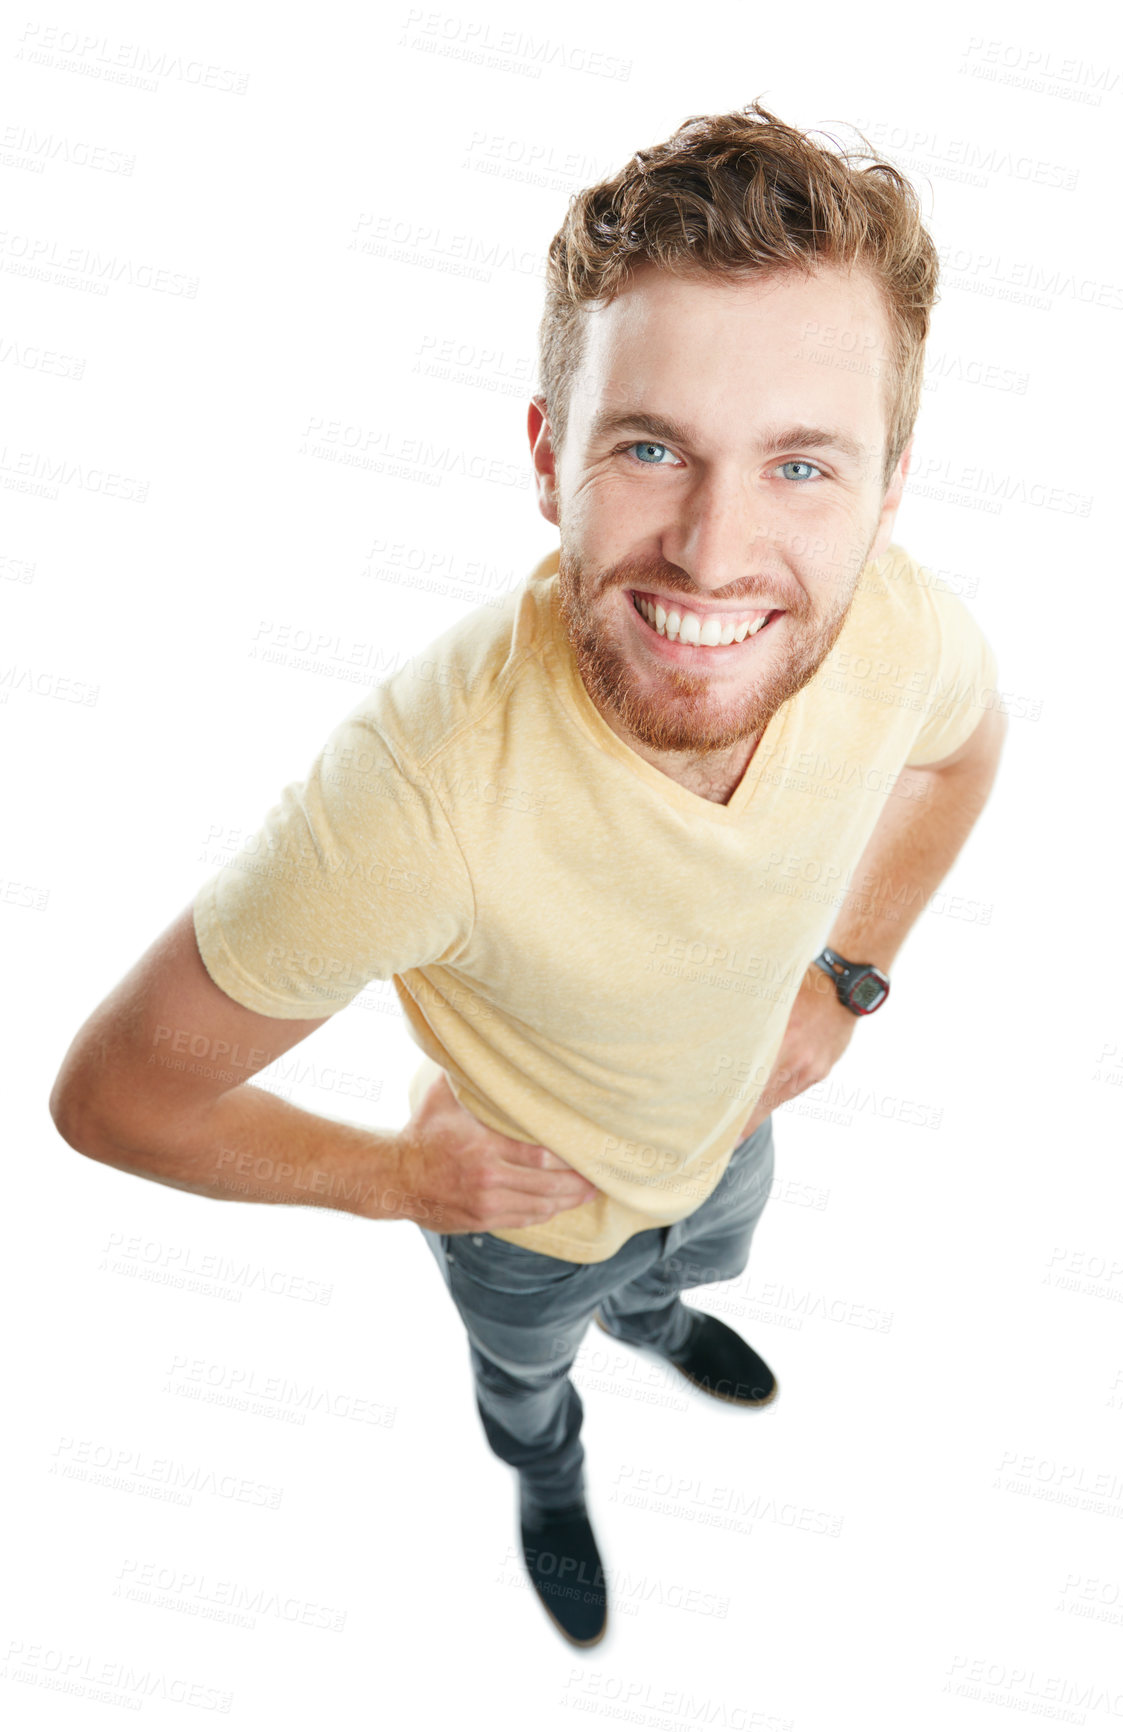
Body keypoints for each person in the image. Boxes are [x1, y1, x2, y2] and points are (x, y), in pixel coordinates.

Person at [49, 99, 1007, 1649]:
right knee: (527, 1367)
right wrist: (391, 1177)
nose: (713, 551)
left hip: (726, 1138)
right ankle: (544, 1466)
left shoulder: (897, 628)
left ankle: (660, 1314)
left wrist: (845, 978)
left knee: (693, 1256)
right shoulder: (415, 799)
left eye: (802, 469)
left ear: (887, 488)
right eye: (649, 448)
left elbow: (965, 756)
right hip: (520, 1216)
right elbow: (112, 1102)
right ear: (550, 453)